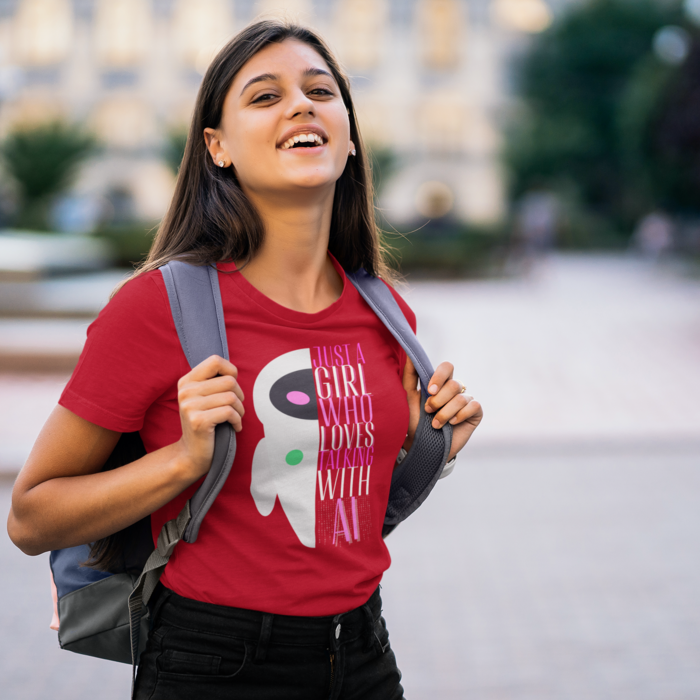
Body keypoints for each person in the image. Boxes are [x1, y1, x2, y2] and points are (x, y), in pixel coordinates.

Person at [8, 20, 483, 700]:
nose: (300, 104)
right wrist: (179, 461)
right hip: (212, 663)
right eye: (265, 96)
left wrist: (426, 448)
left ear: (347, 135)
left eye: (321, 91)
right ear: (218, 146)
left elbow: (333, 524)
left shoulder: (389, 317)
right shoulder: (157, 308)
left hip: (362, 656)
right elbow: (30, 519)